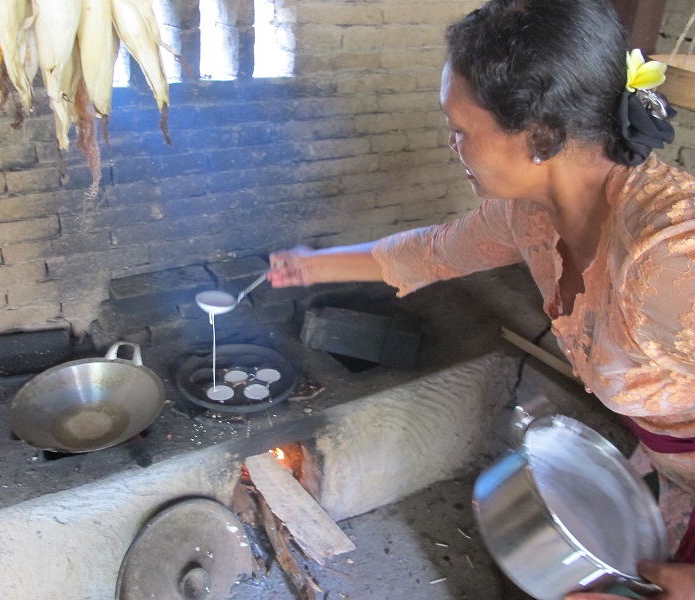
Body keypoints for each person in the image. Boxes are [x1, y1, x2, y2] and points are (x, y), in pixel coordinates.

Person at [268, 0, 695, 597]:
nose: (452, 143)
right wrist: (308, 266)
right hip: (668, 464)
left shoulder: (670, 264)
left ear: (540, 137)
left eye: (462, 130)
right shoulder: (532, 213)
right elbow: (433, 251)